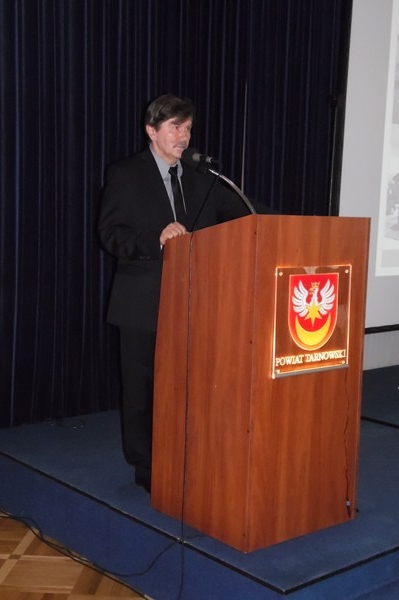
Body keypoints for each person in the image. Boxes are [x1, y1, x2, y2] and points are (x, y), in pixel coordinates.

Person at [98, 93, 268, 492]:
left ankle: (188, 456)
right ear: (151, 130)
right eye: (175, 127)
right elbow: (110, 234)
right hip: (143, 303)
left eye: (188, 128)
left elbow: (248, 211)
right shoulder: (126, 174)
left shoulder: (202, 178)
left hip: (197, 303)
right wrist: (156, 240)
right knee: (142, 389)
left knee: (190, 387)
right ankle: (147, 466)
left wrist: (293, 223)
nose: (184, 136)